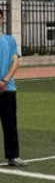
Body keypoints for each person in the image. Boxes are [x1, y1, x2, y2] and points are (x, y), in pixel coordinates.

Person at [0, 10, 24, 167]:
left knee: (10, 124)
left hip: (8, 88)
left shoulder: (9, 40)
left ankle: (13, 156)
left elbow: (15, 61)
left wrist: (5, 80)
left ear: (2, 19)